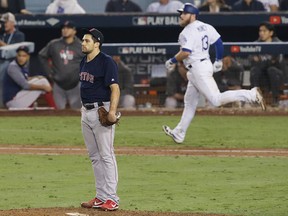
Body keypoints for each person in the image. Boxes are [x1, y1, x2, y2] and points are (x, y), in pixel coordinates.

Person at [162, 3, 266, 144]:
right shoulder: (206, 26)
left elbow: (186, 52)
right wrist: (217, 60)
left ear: (192, 15)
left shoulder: (186, 32)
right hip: (201, 66)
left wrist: (172, 60)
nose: (181, 16)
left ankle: (251, 95)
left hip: (198, 68)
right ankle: (180, 132)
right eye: (181, 13)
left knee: (216, 100)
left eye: (184, 13)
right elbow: (218, 42)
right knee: (190, 102)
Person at [79, 28, 120, 211]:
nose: (83, 43)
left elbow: (115, 88)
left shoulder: (106, 61)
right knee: (95, 157)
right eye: (83, 40)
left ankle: (112, 198)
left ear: (97, 43)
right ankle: (101, 196)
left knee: (106, 155)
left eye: (87, 40)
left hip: (100, 110)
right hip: (85, 112)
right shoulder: (83, 61)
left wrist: (112, 111)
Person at [38, 21, 83, 110]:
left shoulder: (81, 45)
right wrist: (49, 73)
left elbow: (91, 60)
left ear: (74, 31)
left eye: (68, 28)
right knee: (59, 112)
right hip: (58, 84)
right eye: (63, 28)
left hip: (76, 84)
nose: (65, 30)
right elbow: (42, 56)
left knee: (78, 112)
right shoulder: (54, 44)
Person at [249, 22, 284, 107]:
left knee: (271, 69)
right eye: (260, 31)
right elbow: (252, 60)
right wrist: (267, 62)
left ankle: (276, 99)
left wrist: (261, 61)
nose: (261, 33)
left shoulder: (278, 44)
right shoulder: (255, 44)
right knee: (254, 70)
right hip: (262, 75)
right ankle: (256, 99)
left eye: (264, 31)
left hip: (276, 76)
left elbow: (276, 62)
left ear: (271, 33)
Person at [0, 12, 25, 107]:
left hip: (12, 63)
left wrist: (1, 43)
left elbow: (15, 51)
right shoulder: (2, 34)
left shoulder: (19, 35)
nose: (4, 24)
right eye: (3, 22)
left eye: (6, 22)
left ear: (13, 23)